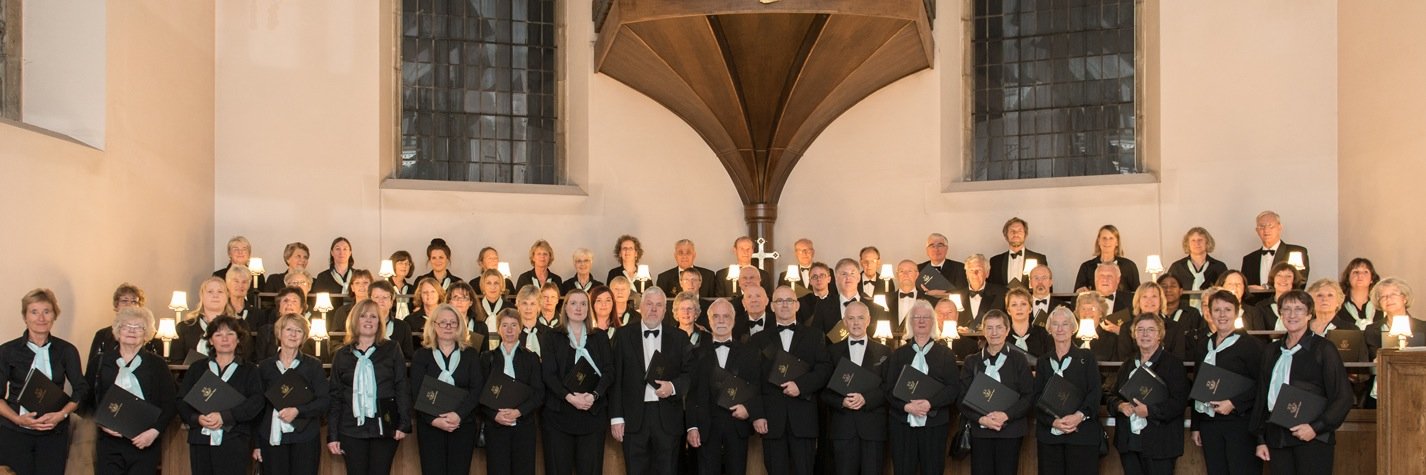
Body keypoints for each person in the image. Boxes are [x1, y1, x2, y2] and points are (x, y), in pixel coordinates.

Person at [1250, 290, 1354, 474]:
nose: (1292, 315)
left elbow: (1343, 397)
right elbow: (1262, 396)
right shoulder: (1271, 351)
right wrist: (1260, 439)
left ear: (1309, 314)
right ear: (1280, 314)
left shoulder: (1324, 349)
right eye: (1287, 309)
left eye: (1299, 309)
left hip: (1312, 438)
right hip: (1277, 437)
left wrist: (1315, 428)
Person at [1, 289, 89, 475]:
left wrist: (62, 415)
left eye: (47, 311)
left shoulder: (66, 350)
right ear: (25, 317)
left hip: (54, 433)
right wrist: (17, 419)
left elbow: (81, 389)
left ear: (54, 315)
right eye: (34, 312)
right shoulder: (7, 351)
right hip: (15, 433)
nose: (41, 318)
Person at [609, 287, 692, 475]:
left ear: (665, 310)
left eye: (659, 305)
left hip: (667, 418)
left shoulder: (679, 337)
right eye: (649, 304)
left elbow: (690, 374)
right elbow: (616, 379)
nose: (653, 309)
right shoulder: (623, 335)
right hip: (633, 418)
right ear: (640, 307)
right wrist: (616, 417)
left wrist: (672, 387)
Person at [749, 286, 830, 475]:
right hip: (771, 420)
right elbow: (753, 380)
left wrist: (801, 386)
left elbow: (825, 369)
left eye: (789, 300)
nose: (784, 305)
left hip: (804, 419)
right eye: (779, 301)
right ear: (772, 306)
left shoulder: (814, 336)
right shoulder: (758, 339)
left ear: (797, 305)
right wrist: (757, 414)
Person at [88, 307, 177, 475]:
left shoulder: (157, 364)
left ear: (146, 333)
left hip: (144, 442)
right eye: (126, 326)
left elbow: (170, 403)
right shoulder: (99, 363)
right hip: (108, 443)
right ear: (117, 330)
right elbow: (86, 401)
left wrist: (154, 432)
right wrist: (101, 423)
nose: (132, 331)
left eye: (139, 327)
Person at [326, 299, 412, 475]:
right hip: (350, 428)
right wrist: (332, 434)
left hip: (385, 426)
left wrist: (404, 423)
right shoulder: (342, 355)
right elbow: (335, 396)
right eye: (363, 316)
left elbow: (401, 385)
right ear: (354, 320)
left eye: (373, 316)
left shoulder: (392, 348)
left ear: (379, 322)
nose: (368, 320)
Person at [687, 298, 765, 475]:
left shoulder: (749, 352)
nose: (721, 320)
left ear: (734, 320)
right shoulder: (696, 353)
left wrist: (749, 409)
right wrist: (692, 426)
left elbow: (756, 386)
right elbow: (691, 393)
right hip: (706, 426)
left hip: (737, 425)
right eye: (716, 316)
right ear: (709, 320)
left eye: (726, 316)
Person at [540, 290, 614, 475]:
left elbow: (609, 371)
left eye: (583, 303)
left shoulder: (600, 337)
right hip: (558, 416)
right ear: (565, 307)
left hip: (592, 415)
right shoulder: (551, 336)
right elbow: (549, 374)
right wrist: (570, 397)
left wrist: (594, 395)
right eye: (573, 303)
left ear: (588, 309)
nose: (578, 308)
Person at [179, 316, 265, 475]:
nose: (225, 339)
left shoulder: (250, 370)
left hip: (235, 439)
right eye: (218, 335)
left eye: (230, 334)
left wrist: (225, 417)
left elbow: (256, 402)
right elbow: (182, 401)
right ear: (211, 341)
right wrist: (197, 418)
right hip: (201, 439)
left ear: (238, 339)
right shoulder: (197, 368)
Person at [1192, 292, 1265, 475]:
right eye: (1217, 310)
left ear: (1237, 313)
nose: (1222, 314)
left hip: (1240, 423)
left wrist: (1234, 403)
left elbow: (1262, 385)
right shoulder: (1203, 344)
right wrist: (1196, 425)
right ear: (1209, 313)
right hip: (1210, 423)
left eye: (1227, 309)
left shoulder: (1251, 345)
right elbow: (1199, 384)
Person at [1107, 314, 1189, 474]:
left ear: (1160, 334)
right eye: (1140, 330)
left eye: (1151, 330)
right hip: (1130, 443)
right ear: (1134, 334)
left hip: (1161, 444)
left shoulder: (1173, 364)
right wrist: (1120, 405)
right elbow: (1111, 395)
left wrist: (1149, 411)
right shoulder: (1128, 365)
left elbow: (1179, 402)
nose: (1145, 334)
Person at [887, 300, 962, 475]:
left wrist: (930, 404)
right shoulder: (898, 355)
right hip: (902, 424)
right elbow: (888, 389)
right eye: (916, 317)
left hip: (935, 424)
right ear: (910, 322)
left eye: (926, 317)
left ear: (933, 322)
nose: (921, 321)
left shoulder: (946, 355)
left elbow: (953, 388)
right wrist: (906, 406)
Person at [410, 303, 483, 475]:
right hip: (430, 426)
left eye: (453, 322)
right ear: (434, 325)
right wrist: (434, 420)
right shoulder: (421, 355)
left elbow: (477, 389)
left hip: (462, 425)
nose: (448, 326)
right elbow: (416, 391)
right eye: (443, 322)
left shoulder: (470, 354)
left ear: (459, 326)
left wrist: (458, 415)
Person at [819, 301, 891, 475]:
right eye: (851, 318)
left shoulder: (885, 352)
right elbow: (824, 391)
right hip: (843, 428)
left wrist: (866, 399)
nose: (856, 323)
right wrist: (841, 402)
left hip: (873, 428)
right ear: (845, 322)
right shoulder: (832, 351)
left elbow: (889, 388)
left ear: (869, 320)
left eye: (860, 318)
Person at [960, 310, 1034, 475]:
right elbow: (962, 398)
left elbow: (1028, 396)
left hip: (1011, 431)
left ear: (1007, 330)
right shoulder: (972, 361)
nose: (994, 332)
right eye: (989, 328)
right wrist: (981, 419)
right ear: (983, 331)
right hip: (980, 431)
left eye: (999, 327)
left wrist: (1006, 415)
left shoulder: (1019, 360)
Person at [254, 313, 330, 475]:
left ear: (304, 336)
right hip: (271, 438)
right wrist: (257, 444)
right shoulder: (265, 367)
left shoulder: (313, 366)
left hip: (305, 437)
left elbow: (324, 401)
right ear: (279, 333)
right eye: (288, 329)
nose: (293, 334)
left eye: (299, 331)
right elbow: (258, 407)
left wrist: (298, 411)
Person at [1033, 307, 1104, 475]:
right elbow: (1036, 397)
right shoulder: (1043, 361)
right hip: (1050, 437)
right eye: (1055, 324)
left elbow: (1095, 392)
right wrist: (1053, 422)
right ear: (1049, 329)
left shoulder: (1086, 357)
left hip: (1082, 435)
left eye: (1065, 324)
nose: (1060, 329)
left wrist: (1078, 416)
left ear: (1073, 328)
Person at [483, 309, 545, 475]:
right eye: (504, 325)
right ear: (498, 329)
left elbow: (539, 393)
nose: (509, 330)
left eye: (514, 325)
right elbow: (480, 394)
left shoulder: (531, 358)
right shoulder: (487, 358)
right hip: (495, 427)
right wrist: (494, 415)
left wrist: (519, 412)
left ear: (520, 328)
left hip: (523, 427)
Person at [87, 284, 164, 375]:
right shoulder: (102, 335)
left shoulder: (153, 337)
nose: (129, 305)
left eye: (134, 301)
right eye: (124, 301)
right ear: (116, 305)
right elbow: (93, 370)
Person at [173, 277, 238, 365]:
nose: (215, 295)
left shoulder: (239, 326)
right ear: (202, 296)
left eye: (220, 291)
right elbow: (176, 362)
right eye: (210, 291)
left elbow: (245, 359)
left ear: (227, 296)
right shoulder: (184, 327)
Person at [1241, 211, 1311, 291]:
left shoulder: (1296, 252)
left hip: (1287, 299)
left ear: (1279, 227)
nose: (1266, 230)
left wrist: (1266, 288)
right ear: (1257, 230)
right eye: (1262, 226)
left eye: (1271, 226)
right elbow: (1246, 289)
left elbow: (1300, 283)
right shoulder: (1249, 259)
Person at [1073, 225, 1140, 293]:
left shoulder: (1129, 266)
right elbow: (1075, 297)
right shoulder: (1086, 267)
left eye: (1111, 238)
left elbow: (1138, 295)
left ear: (1117, 242)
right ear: (1098, 241)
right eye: (1104, 238)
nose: (1107, 242)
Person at [950, 254, 1007, 329]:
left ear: (987, 273)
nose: (975, 274)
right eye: (971, 270)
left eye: (979, 270)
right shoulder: (956, 296)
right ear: (966, 274)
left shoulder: (1001, 293)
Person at [989, 217, 1049, 288]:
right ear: (1006, 236)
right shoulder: (995, 261)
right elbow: (991, 288)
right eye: (1012, 231)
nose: (1016, 234)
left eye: (1019, 231)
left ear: (1025, 235)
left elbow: (1046, 286)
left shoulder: (1039, 259)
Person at [1167, 227, 1227, 291]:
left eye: (1200, 240)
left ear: (1207, 243)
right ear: (1188, 244)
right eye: (1193, 240)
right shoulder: (1177, 267)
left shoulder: (1219, 267)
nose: (1197, 243)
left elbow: (1225, 292)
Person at [888, 259, 932, 339]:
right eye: (901, 271)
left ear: (917, 275)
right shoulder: (886, 300)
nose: (905, 274)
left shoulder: (929, 301)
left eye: (910, 271)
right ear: (897, 275)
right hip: (892, 344)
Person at [1335, 258, 1382, 331]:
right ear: (1348, 278)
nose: (1360, 275)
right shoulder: (1338, 304)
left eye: (1365, 272)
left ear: (1372, 279)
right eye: (1356, 272)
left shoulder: (1380, 305)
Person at [370, 281, 415, 359]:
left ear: (391, 301)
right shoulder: (362, 325)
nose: (381, 301)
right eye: (376, 297)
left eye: (385, 297)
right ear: (369, 300)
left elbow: (408, 357)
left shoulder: (403, 327)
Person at [1074, 291, 1119, 364]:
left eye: (1092, 308)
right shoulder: (1070, 338)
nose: (1087, 312)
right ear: (1078, 312)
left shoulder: (1112, 339)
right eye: (1083, 308)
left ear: (1100, 313)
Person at [1005, 287, 1052, 359]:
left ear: (1030, 309)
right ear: (1008, 310)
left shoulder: (1043, 335)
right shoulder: (1002, 336)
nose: (1019, 308)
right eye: (1014, 305)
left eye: (1023, 304)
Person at [1253, 263, 1303, 330]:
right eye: (1279, 275)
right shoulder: (1261, 307)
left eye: (1288, 276)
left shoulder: (1302, 305)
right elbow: (1259, 334)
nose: (1283, 279)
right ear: (1273, 279)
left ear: (1294, 280)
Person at [400, 277, 445, 346]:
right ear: (420, 295)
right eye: (425, 292)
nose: (429, 295)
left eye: (433, 291)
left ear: (439, 294)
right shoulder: (409, 320)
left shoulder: (448, 318)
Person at [226, 265, 269, 338]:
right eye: (236, 281)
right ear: (228, 283)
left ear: (248, 285)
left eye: (244, 282)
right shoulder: (221, 311)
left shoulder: (258, 314)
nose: (240, 285)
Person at [513, 285, 554, 360]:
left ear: (539, 307)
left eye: (532, 304)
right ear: (518, 305)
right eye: (524, 303)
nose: (528, 308)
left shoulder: (550, 334)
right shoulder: (510, 333)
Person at [312, 237, 356, 302]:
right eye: (338, 249)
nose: (341, 252)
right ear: (332, 252)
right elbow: (315, 301)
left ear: (350, 253)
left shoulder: (357, 276)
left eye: (345, 249)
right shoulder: (323, 277)